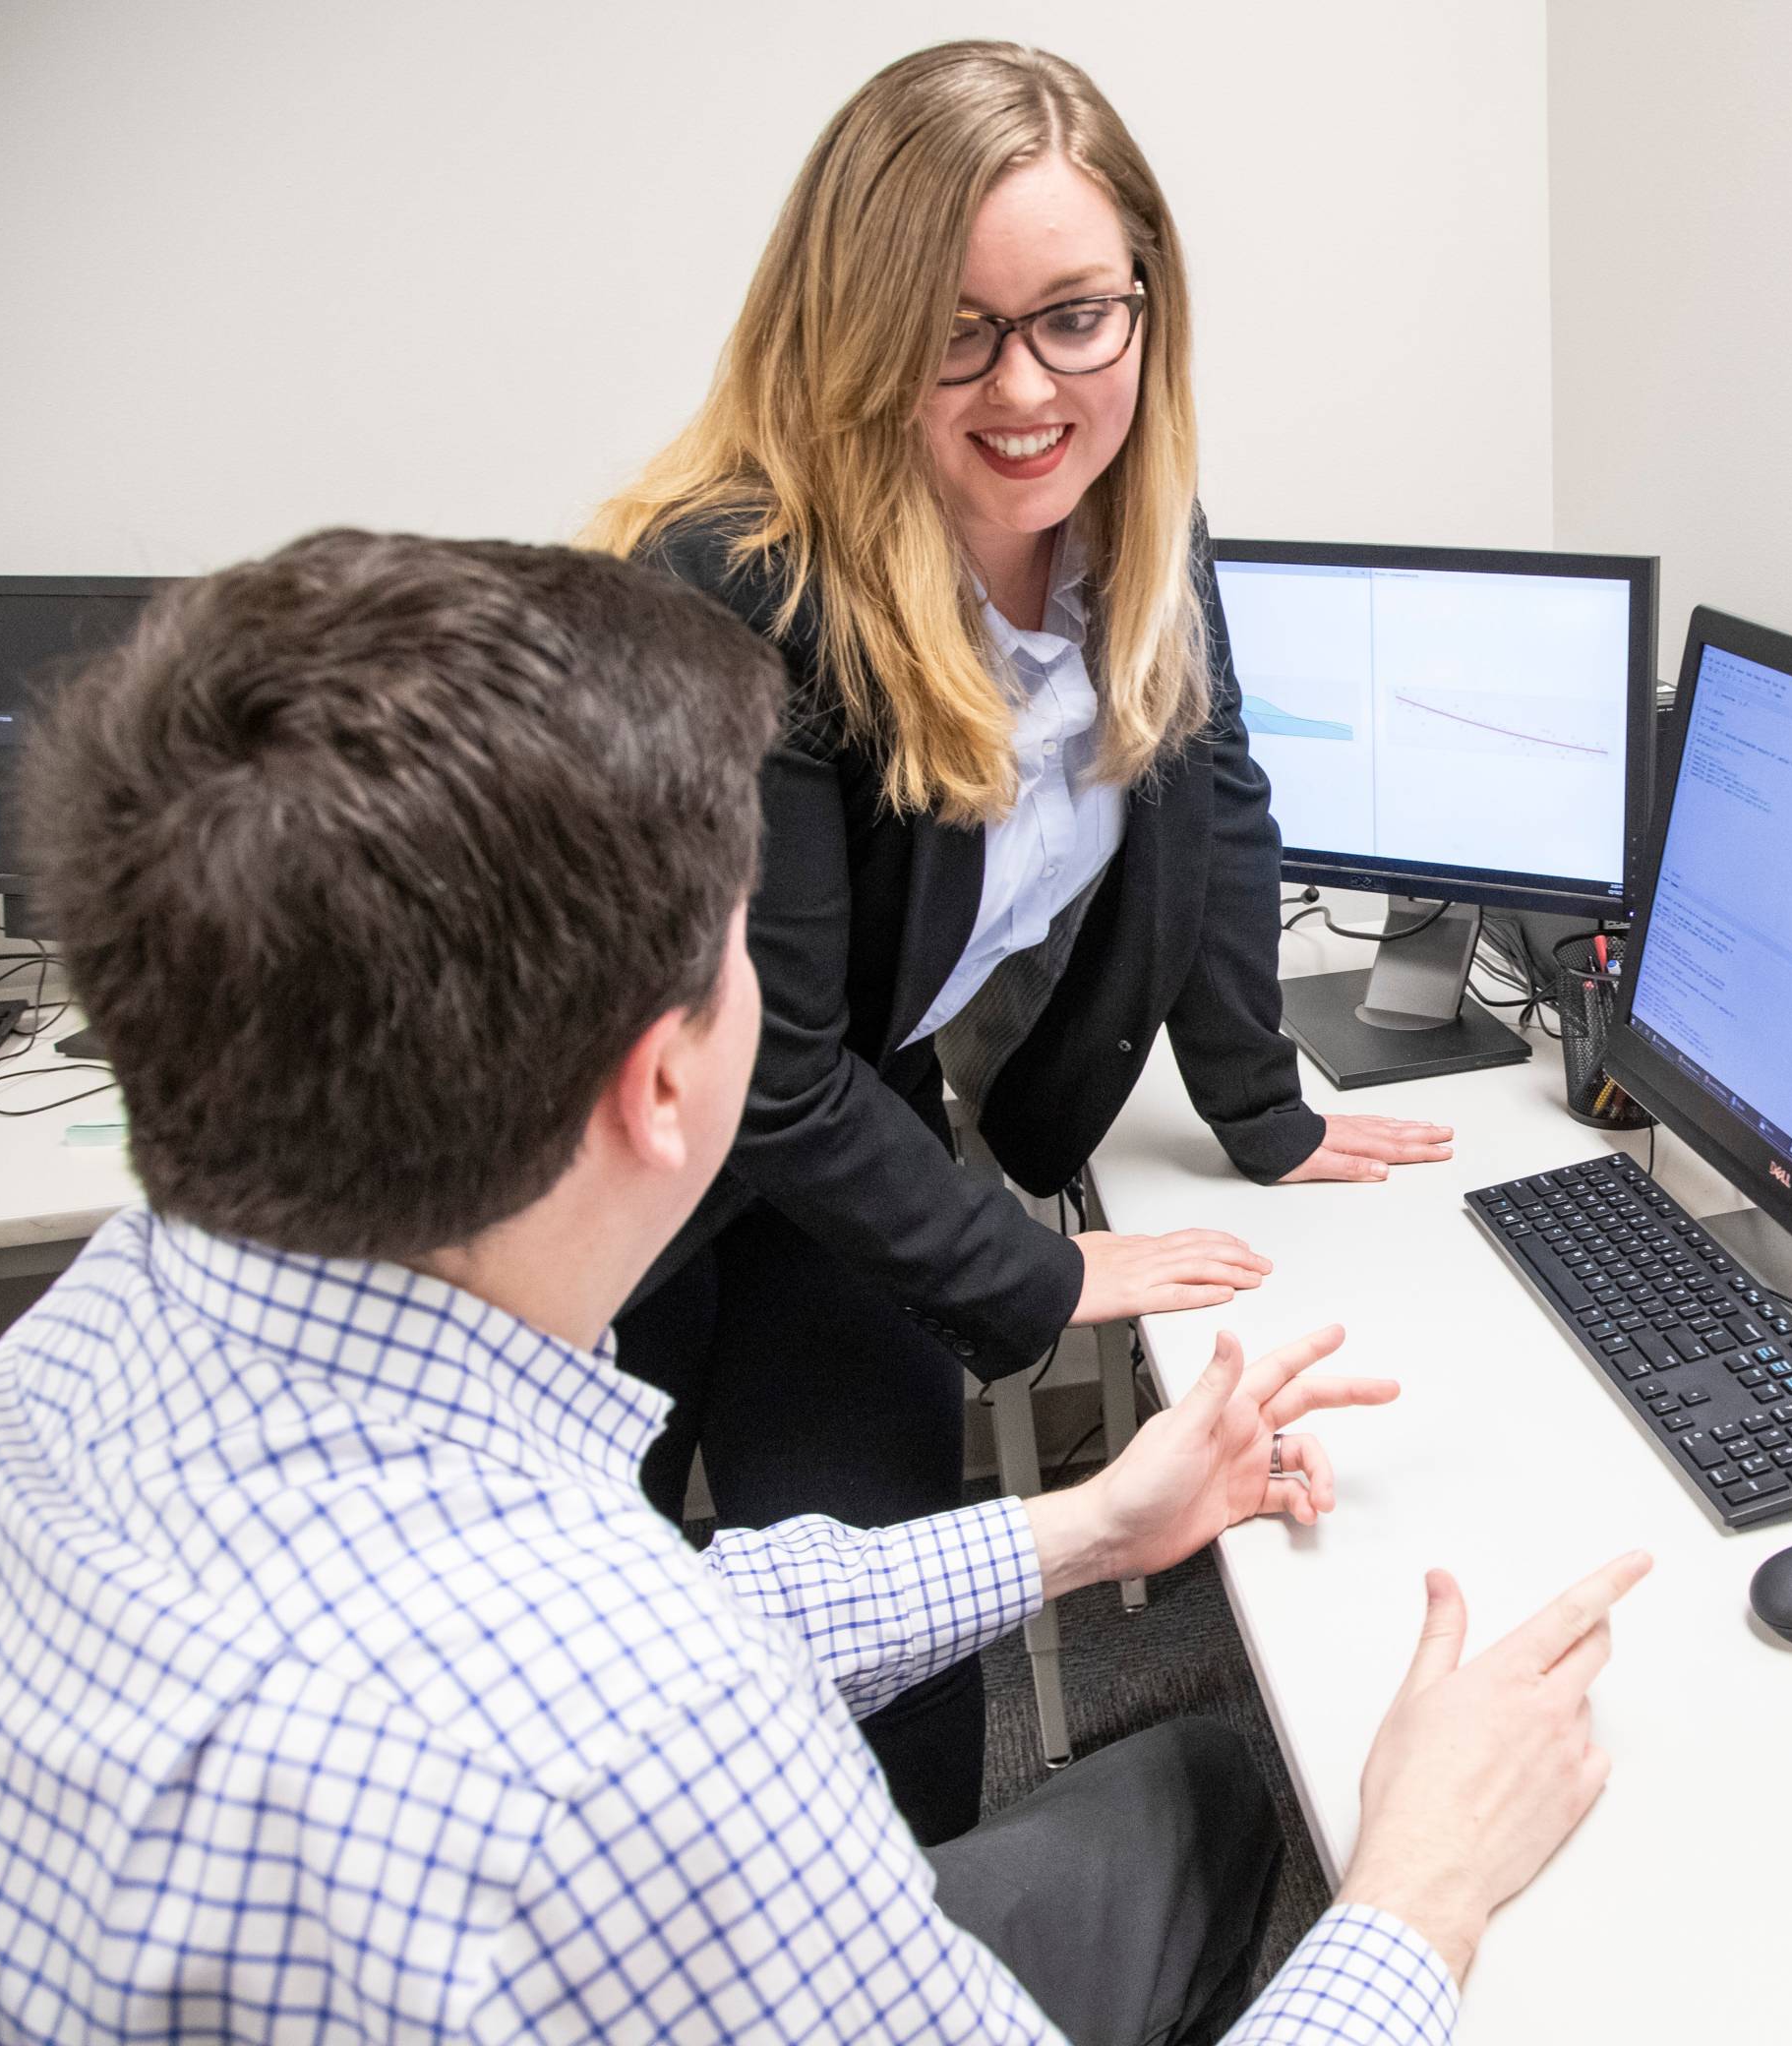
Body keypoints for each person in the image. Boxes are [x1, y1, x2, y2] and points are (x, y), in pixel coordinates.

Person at [0, 531, 1646, 2046]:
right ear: (667, 1084)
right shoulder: (638, 1747)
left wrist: (1093, 1526)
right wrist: (1424, 1890)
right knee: (1229, 1794)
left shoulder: (58, 1376)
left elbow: (653, 1637)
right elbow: (637, 1708)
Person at [587, 39, 1453, 1843]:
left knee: (894, 1622)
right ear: (851, 327)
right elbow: (765, 1069)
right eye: (954, 329)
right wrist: (1042, 1275)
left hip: (841, 1135)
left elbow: (1211, 793)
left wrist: (1265, 1107)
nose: (1027, 388)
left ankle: (890, 1936)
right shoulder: (747, 581)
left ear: (1145, 305)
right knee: (567, 1645)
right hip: (612, 1178)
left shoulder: (1134, 517)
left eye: (1076, 318)